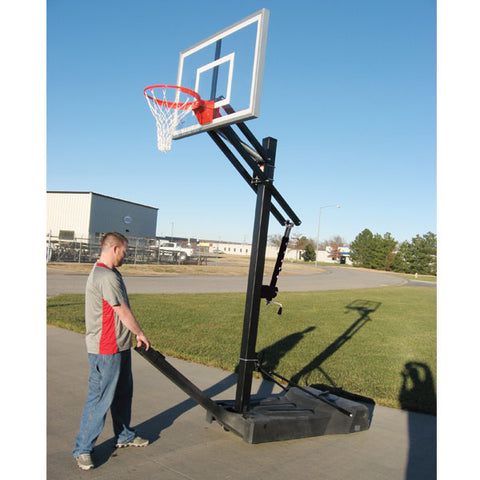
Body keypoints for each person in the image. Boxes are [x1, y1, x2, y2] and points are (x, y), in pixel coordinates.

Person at [72, 232, 151, 471]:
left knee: (123, 393)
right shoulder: (105, 276)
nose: (125, 256)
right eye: (124, 252)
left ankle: (124, 435)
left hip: (119, 346)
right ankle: (82, 449)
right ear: (114, 248)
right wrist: (140, 333)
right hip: (107, 349)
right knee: (99, 398)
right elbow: (122, 311)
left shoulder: (110, 273)